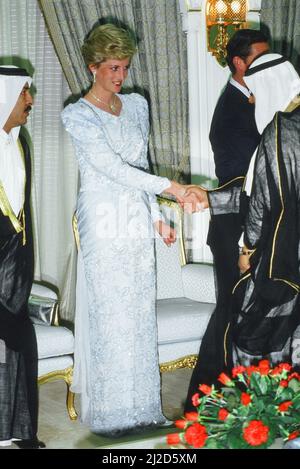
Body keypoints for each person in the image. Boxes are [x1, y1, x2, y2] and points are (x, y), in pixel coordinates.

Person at [61, 23, 189, 435]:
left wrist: (158, 218)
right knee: (110, 314)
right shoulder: (76, 115)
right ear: (92, 67)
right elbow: (111, 168)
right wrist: (172, 188)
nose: (120, 76)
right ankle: (112, 415)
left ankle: (145, 409)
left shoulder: (136, 105)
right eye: (113, 67)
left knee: (137, 312)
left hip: (135, 215)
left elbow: (139, 168)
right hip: (102, 217)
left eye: (125, 67)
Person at [184, 29, 269, 411]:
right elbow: (241, 182)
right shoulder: (233, 111)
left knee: (243, 313)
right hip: (234, 226)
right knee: (231, 314)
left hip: (250, 225)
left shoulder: (257, 102)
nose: (266, 65)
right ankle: (204, 403)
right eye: (258, 57)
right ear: (239, 63)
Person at [232, 53, 300, 368]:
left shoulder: (278, 131)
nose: (254, 99)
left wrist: (247, 248)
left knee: (256, 338)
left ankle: (266, 414)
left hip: (283, 254)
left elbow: (260, 204)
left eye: (256, 89)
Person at [0, 66, 45, 448]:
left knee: (19, 346)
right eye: (23, 94)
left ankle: (19, 433)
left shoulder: (21, 142)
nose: (30, 101)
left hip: (16, 268)